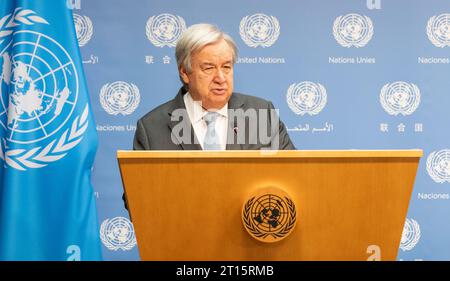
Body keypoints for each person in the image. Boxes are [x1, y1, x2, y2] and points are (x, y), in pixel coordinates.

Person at [133, 23, 295, 151]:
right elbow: (137, 192)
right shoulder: (151, 128)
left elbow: (294, 176)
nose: (221, 78)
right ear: (184, 72)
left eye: (226, 67)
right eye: (209, 68)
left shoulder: (262, 114)